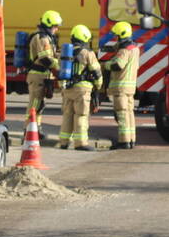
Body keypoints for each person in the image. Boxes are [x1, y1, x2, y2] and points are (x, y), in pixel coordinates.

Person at [58, 25, 102, 151]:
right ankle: (81, 143)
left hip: (67, 89)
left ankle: (64, 142)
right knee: (81, 115)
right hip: (82, 90)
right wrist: (98, 86)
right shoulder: (87, 53)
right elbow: (97, 72)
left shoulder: (65, 52)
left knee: (67, 115)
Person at [27, 10, 63, 138]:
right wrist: (58, 68)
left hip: (43, 75)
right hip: (38, 75)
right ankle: (29, 131)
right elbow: (45, 59)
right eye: (55, 26)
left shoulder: (47, 37)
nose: (57, 29)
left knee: (40, 105)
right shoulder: (41, 38)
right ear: (49, 24)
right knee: (35, 104)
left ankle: (36, 129)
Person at [107, 21, 140, 149]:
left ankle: (123, 141)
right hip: (130, 88)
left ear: (121, 35)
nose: (116, 38)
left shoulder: (124, 51)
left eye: (117, 36)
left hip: (120, 87)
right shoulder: (134, 48)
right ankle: (131, 140)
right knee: (129, 114)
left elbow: (117, 65)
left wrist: (107, 64)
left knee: (121, 114)